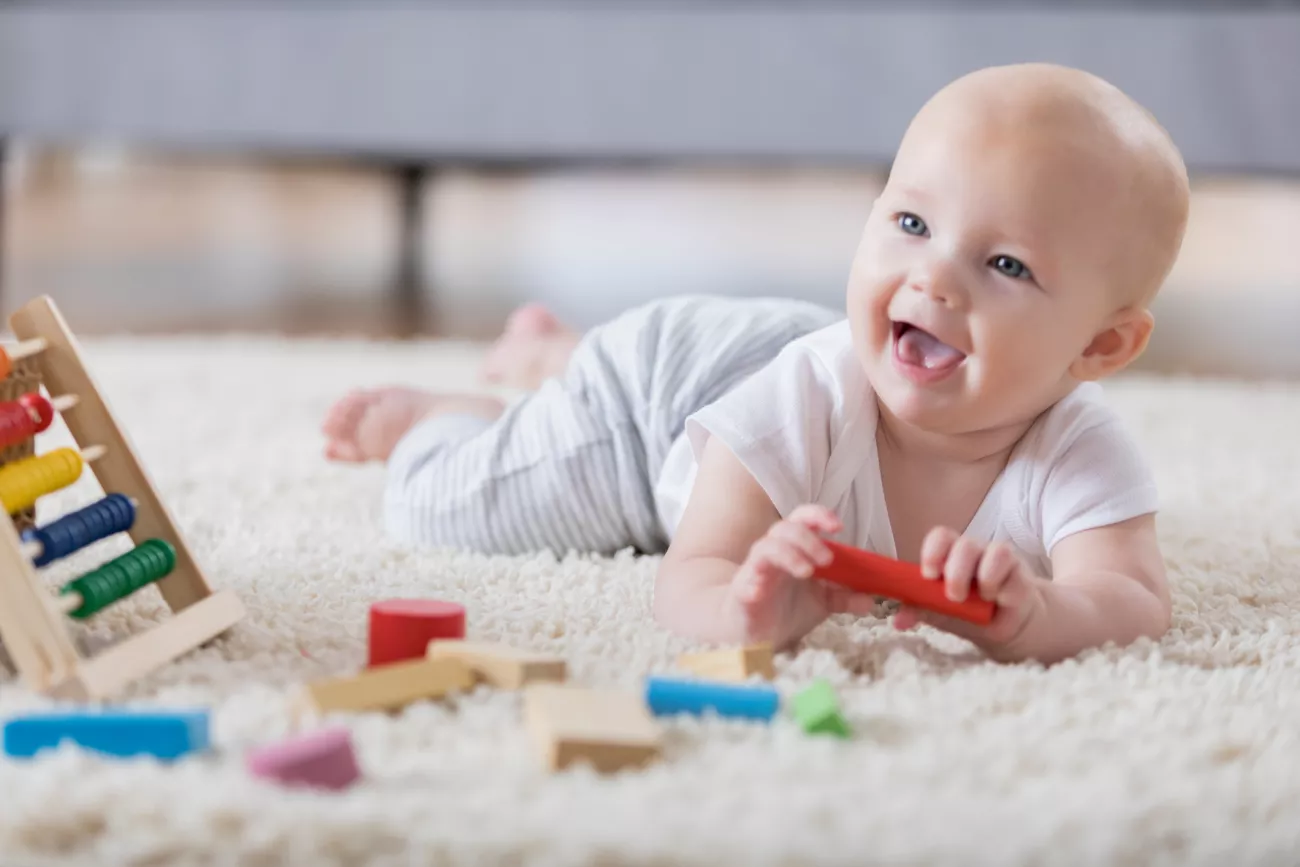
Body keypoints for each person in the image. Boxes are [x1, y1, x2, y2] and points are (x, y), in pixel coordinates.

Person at [322, 63, 1190, 663]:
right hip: (656, 404)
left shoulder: (1078, 447)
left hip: (779, 348)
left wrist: (1040, 617)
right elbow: (688, 575)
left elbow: (1132, 599)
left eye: (1006, 265)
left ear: (1100, 346)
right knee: (446, 508)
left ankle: (557, 353)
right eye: (912, 225)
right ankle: (449, 412)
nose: (931, 278)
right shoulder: (803, 399)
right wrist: (746, 610)